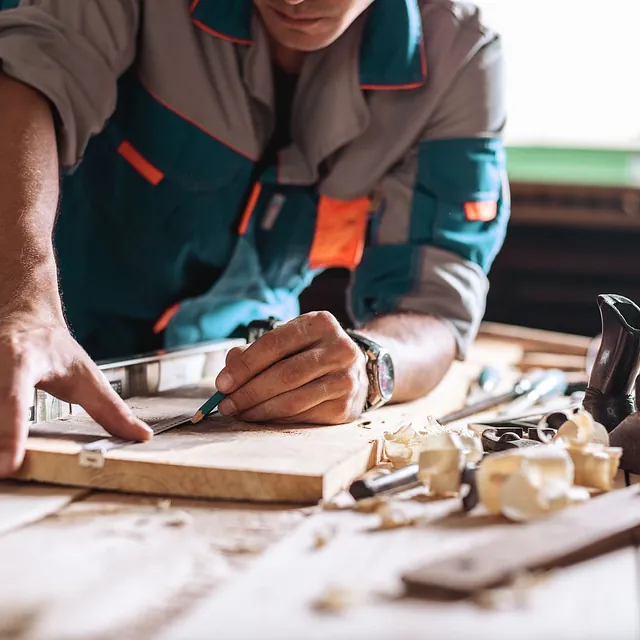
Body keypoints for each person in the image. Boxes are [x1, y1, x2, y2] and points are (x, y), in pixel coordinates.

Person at [0, 0, 509, 476]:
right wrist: (24, 304)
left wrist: (368, 365)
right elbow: (26, 73)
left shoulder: (459, 55)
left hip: (227, 392)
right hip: (28, 360)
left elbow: (434, 309)